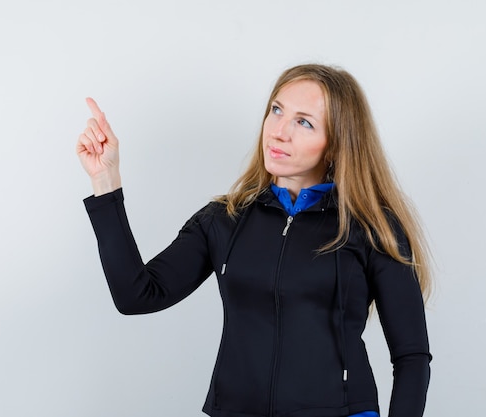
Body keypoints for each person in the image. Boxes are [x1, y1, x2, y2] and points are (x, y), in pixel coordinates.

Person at [77, 64, 432, 417]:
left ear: (337, 143)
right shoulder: (223, 220)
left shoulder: (372, 229)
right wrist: (105, 180)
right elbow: (136, 295)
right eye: (276, 111)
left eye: (303, 122)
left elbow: (411, 357)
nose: (279, 132)